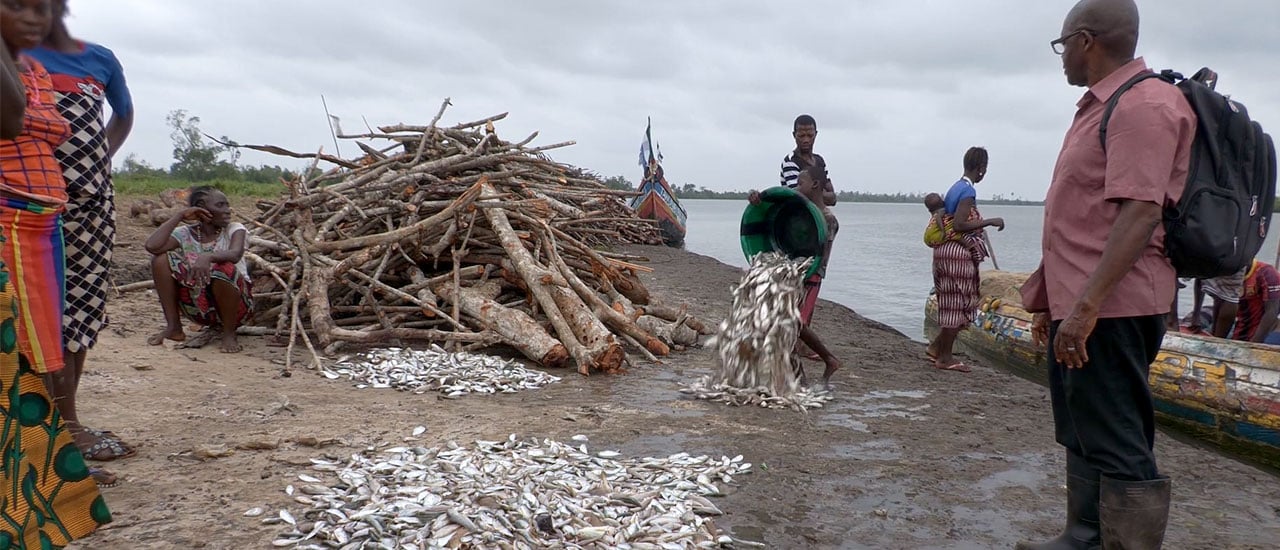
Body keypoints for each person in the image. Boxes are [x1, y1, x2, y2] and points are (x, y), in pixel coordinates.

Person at [1017, 1, 1196, 547]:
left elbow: (1140, 214)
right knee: (1083, 427)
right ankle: (1082, 536)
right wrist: (1051, 301)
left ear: (1086, 41)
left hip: (1114, 309)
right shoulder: (1100, 106)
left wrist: (1086, 308)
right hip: (1083, 302)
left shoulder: (1144, 104)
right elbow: (1080, 219)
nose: (1061, 56)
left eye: (1062, 44)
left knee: (1118, 439)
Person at [1, 2, 112, 545]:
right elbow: (13, 118)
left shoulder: (34, 67)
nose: (34, 17)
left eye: (40, 7)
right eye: (15, 5)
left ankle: (43, 477)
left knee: (42, 347)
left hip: (44, 218)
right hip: (9, 216)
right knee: (18, 350)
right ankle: (28, 486)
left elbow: (48, 122)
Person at [26, 0, 136, 463]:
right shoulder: (13, 58)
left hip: (91, 205)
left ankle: (66, 423)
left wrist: (96, 163)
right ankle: (45, 430)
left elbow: (124, 114)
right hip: (28, 203)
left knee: (81, 308)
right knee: (37, 310)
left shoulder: (100, 59)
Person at [145, 186, 253, 353]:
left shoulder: (234, 229)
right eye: (220, 205)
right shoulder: (185, 233)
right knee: (160, 260)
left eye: (227, 205)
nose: (227, 210)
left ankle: (229, 332)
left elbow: (235, 254)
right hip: (198, 307)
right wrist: (180, 216)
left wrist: (208, 257)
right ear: (202, 208)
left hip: (237, 308)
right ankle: (174, 327)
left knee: (224, 268)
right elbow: (152, 246)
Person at [925, 147, 1004, 373]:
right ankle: (945, 358)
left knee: (952, 302)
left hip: (944, 252)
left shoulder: (955, 187)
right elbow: (959, 224)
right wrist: (990, 221)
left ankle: (936, 348)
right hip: (956, 256)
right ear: (981, 169)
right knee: (958, 305)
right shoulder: (967, 191)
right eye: (985, 169)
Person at [1228, 260, 1280, 343]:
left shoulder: (1265, 272)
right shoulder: (1226, 272)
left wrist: (1253, 343)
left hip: (1266, 332)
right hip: (1242, 328)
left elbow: (1273, 311)